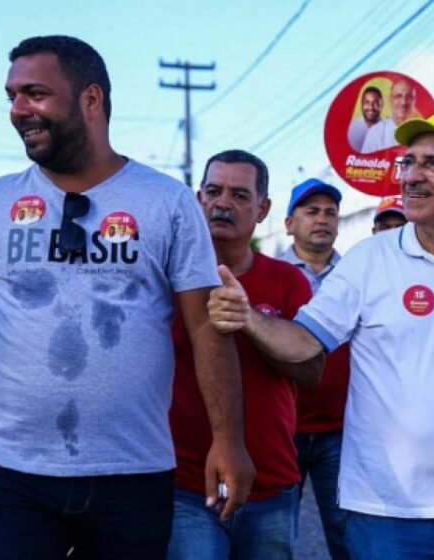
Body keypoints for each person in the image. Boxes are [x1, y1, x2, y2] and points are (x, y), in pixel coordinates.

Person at [209, 109, 434, 559]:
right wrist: (249, 317)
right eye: (408, 162)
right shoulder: (369, 259)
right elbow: (305, 342)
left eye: (432, 164)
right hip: (382, 512)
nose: (411, 176)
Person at [0, 35, 253, 559]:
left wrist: (228, 440)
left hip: (133, 472)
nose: (18, 110)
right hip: (11, 473)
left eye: (35, 93)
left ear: (91, 99)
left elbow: (205, 326)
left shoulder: (166, 201)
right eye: (12, 96)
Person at [168, 150, 323, 559]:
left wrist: (249, 318)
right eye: (213, 192)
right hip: (186, 487)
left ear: (263, 209)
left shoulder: (287, 280)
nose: (223, 204)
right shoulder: (166, 279)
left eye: (239, 195)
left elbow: (311, 371)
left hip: (271, 485)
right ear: (199, 199)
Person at [281, 178, 351, 559]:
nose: (322, 219)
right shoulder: (272, 273)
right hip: (281, 431)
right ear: (289, 223)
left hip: (340, 431)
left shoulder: (355, 276)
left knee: (347, 535)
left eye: (330, 213)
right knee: (275, 536)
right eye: (311, 212)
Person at [361, 79, 416, 153]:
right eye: (398, 96)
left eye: (409, 97)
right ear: (390, 100)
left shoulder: (421, 133)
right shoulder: (375, 133)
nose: (404, 102)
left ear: (414, 101)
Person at [347, 86, 383, 152]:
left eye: (375, 103)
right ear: (362, 104)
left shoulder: (389, 130)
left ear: (381, 105)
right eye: (367, 102)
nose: (371, 107)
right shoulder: (350, 128)